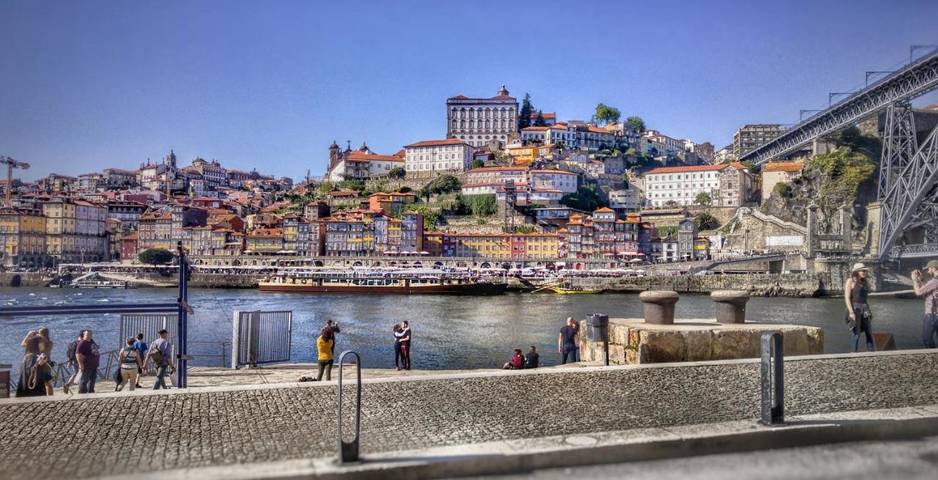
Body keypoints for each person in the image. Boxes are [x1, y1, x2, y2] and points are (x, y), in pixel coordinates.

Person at [844, 263, 875, 352]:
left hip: (865, 308)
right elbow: (847, 297)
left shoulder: (864, 281)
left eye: (865, 271)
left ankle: (872, 354)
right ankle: (853, 355)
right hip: (855, 308)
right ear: (857, 271)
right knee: (856, 333)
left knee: (869, 332)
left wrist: (865, 280)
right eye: (862, 270)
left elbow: (869, 290)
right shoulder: (850, 281)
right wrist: (851, 312)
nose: (864, 272)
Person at [912, 259, 938, 348]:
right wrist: (921, 280)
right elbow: (928, 290)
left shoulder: (934, 281)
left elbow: (919, 292)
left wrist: (915, 280)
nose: (927, 271)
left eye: (929, 269)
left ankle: (933, 358)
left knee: (926, 339)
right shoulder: (934, 282)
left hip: (932, 315)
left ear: (934, 269)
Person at [76, 329, 100, 394]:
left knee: (93, 379)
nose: (89, 336)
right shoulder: (82, 343)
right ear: (84, 335)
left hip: (94, 364)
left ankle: (91, 391)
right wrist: (80, 364)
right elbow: (78, 354)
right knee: (84, 380)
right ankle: (82, 392)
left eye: (90, 334)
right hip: (87, 364)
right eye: (87, 334)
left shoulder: (91, 341)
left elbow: (95, 348)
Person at [63, 330, 85, 394]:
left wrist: (69, 361)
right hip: (80, 360)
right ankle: (80, 389)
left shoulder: (72, 343)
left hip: (73, 360)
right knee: (81, 374)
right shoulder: (82, 343)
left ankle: (68, 384)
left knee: (75, 373)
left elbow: (69, 353)